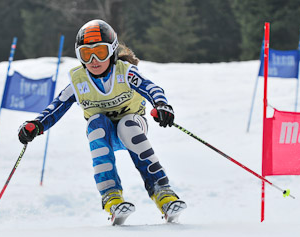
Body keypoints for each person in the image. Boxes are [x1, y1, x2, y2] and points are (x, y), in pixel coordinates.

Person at [18, 19, 186, 224]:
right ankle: (111, 197)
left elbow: (152, 88)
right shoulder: (79, 81)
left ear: (113, 52)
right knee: (96, 123)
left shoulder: (125, 72)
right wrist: (36, 125)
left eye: (100, 52)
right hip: (103, 133)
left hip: (133, 124)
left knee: (127, 127)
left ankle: (163, 193)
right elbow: (56, 107)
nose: (94, 60)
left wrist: (161, 105)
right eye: (86, 54)